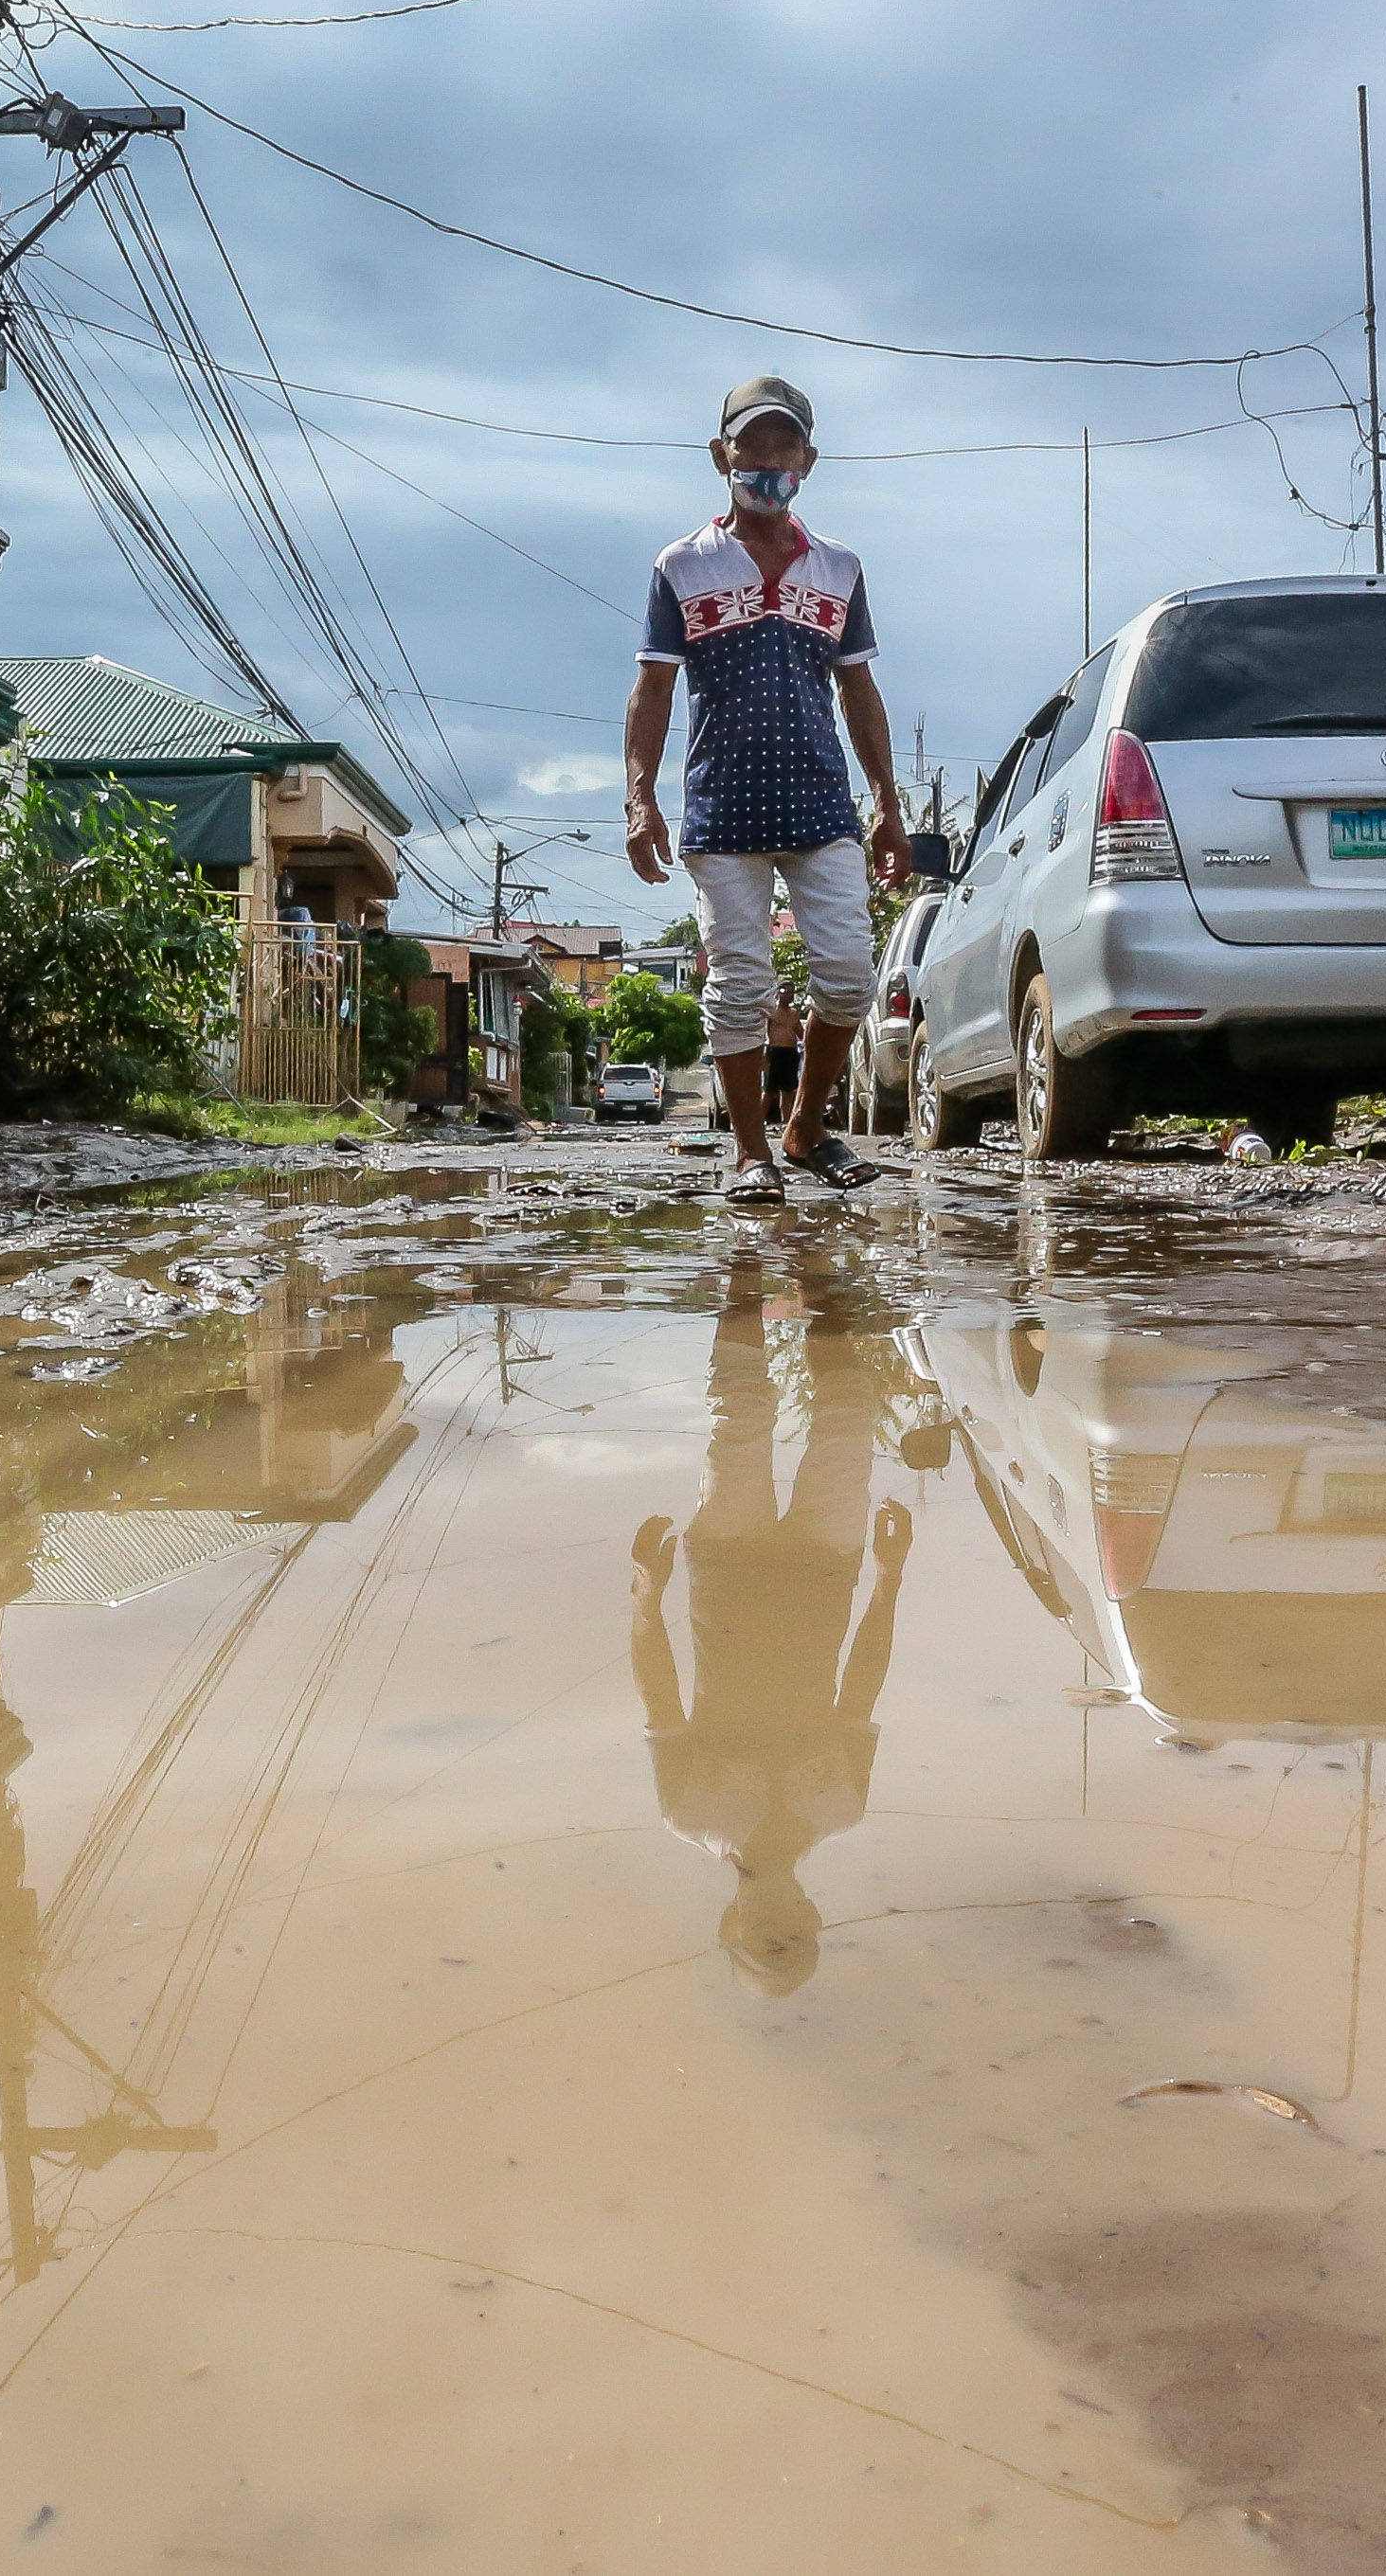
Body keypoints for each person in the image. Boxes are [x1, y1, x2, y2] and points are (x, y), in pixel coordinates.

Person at [625, 374, 913, 1205]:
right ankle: (752, 1152)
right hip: (724, 808)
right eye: (753, 446)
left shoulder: (840, 568)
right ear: (722, 455)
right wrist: (640, 797)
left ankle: (807, 1127)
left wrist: (888, 802)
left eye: (786, 447)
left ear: (809, 461)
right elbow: (653, 690)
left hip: (824, 806)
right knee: (741, 982)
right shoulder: (682, 566)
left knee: (851, 977)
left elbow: (860, 692)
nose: (769, 462)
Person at [628, 1248, 908, 1994]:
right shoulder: (842, 1806)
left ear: (731, 1924)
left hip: (727, 1567)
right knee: (849, 1415)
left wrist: (645, 1602)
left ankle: (744, 1273)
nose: (781, 1923)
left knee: (744, 1413)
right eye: (794, 1937)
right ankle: (821, 1278)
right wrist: (890, 1581)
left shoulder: (689, 1813)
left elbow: (660, 1699)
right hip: (826, 1571)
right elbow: (863, 1684)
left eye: (763, 1938)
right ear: (816, 1917)